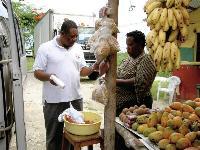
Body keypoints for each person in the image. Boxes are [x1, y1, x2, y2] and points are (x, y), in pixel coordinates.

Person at [33, 19, 98, 150]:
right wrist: (49, 76)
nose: (74, 39)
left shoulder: (78, 48)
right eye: (70, 37)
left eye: (76, 37)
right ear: (62, 34)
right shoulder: (45, 48)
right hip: (54, 101)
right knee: (54, 137)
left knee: (73, 136)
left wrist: (94, 67)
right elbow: (37, 72)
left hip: (75, 99)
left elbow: (82, 71)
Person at [115, 30, 157, 150]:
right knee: (120, 137)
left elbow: (140, 81)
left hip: (137, 105)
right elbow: (118, 73)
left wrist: (116, 82)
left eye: (131, 45)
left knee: (133, 138)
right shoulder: (128, 60)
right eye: (127, 45)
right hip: (122, 107)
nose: (128, 48)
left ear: (140, 45)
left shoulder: (146, 59)